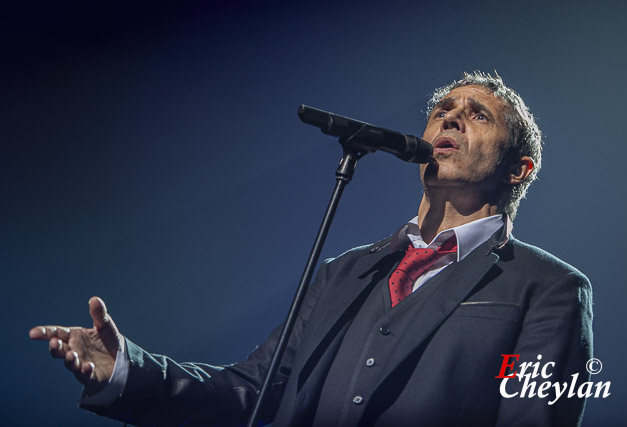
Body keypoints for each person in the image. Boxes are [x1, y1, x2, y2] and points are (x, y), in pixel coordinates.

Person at [30, 71, 594, 426]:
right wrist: (127, 371)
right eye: (444, 107)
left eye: (478, 114)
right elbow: (251, 391)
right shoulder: (343, 274)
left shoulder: (548, 289)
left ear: (521, 167)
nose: (450, 115)